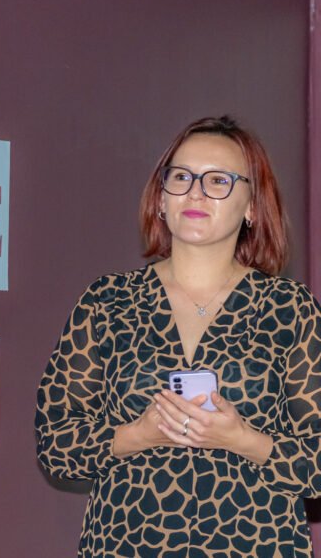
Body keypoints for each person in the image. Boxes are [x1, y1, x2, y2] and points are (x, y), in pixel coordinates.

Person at [35, 115, 321, 557]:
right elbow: (55, 443)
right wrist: (138, 435)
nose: (195, 192)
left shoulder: (290, 309)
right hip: (126, 544)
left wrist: (242, 439)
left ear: (252, 207)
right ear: (161, 200)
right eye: (182, 177)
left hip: (256, 544)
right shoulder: (108, 302)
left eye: (218, 180)